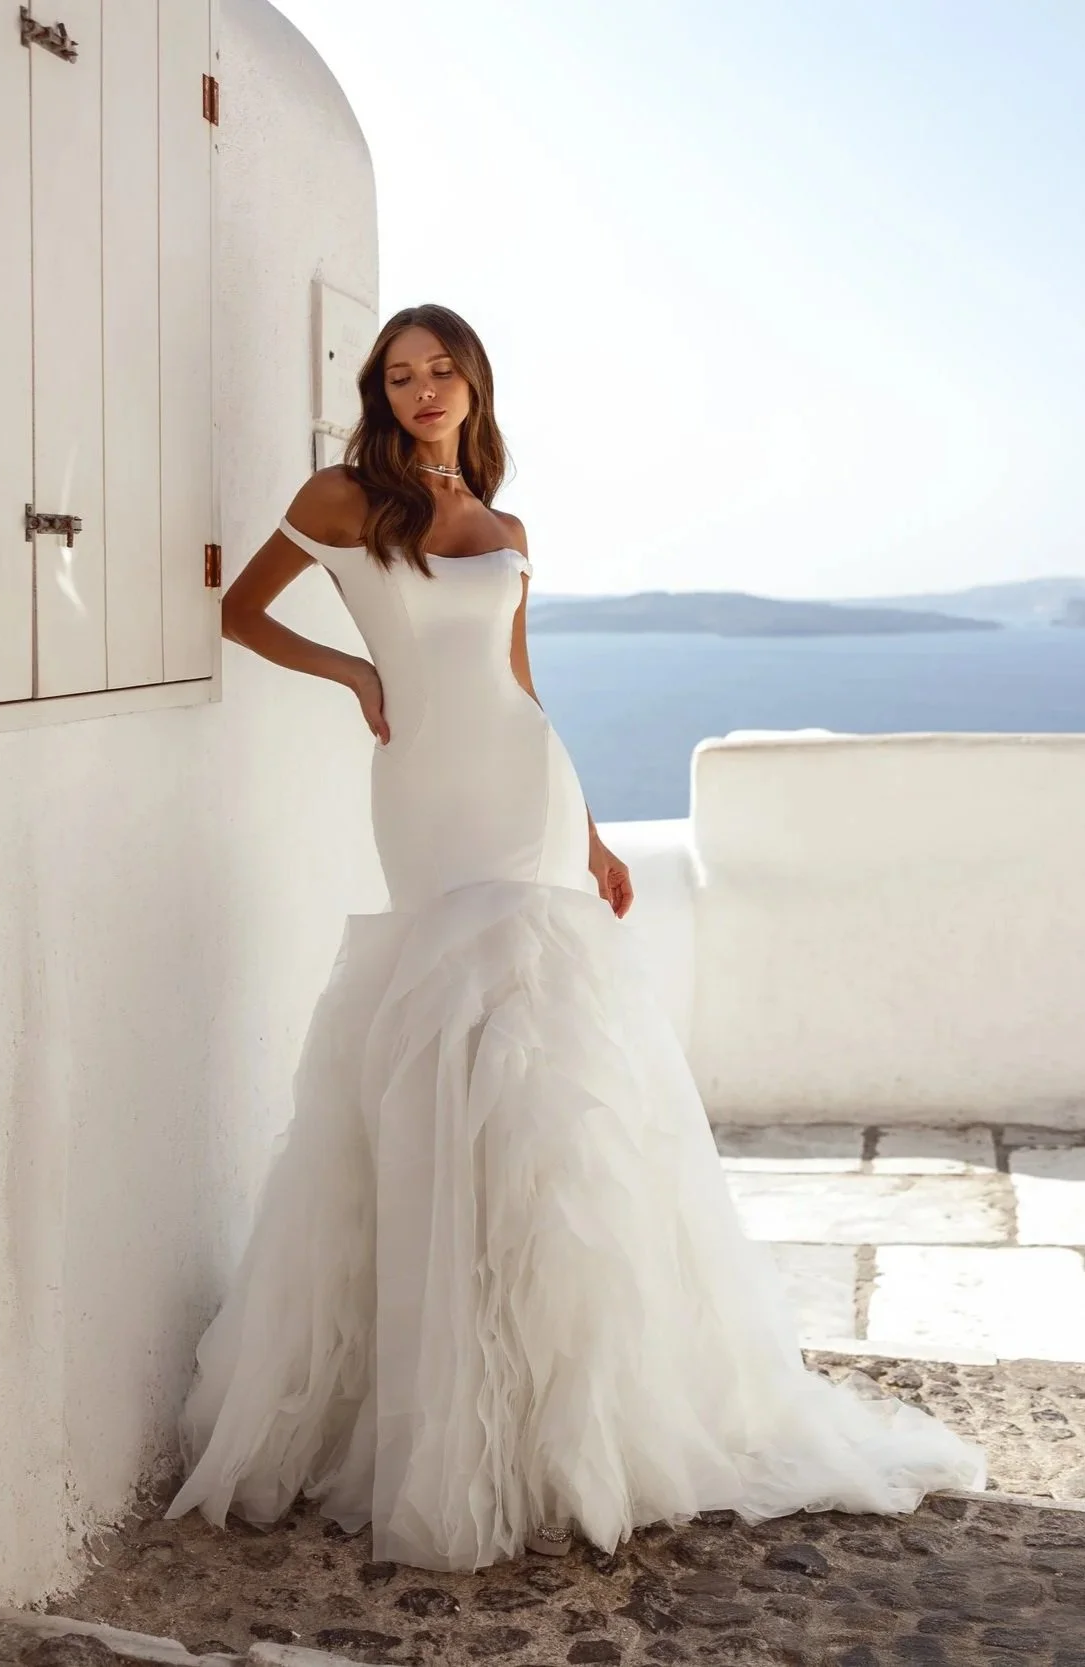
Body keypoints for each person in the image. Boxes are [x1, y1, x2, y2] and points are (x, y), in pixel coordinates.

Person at [164, 303, 986, 1571]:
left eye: (442, 371)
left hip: (522, 784)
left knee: (542, 1063)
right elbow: (239, 612)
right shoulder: (339, 497)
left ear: (474, 383)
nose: (424, 389)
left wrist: (591, 830)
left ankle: (544, 1405)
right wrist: (352, 675)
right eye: (401, 373)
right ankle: (431, 1396)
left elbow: (524, 688)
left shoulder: (506, 527)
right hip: (426, 788)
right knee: (440, 1037)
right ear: (377, 393)